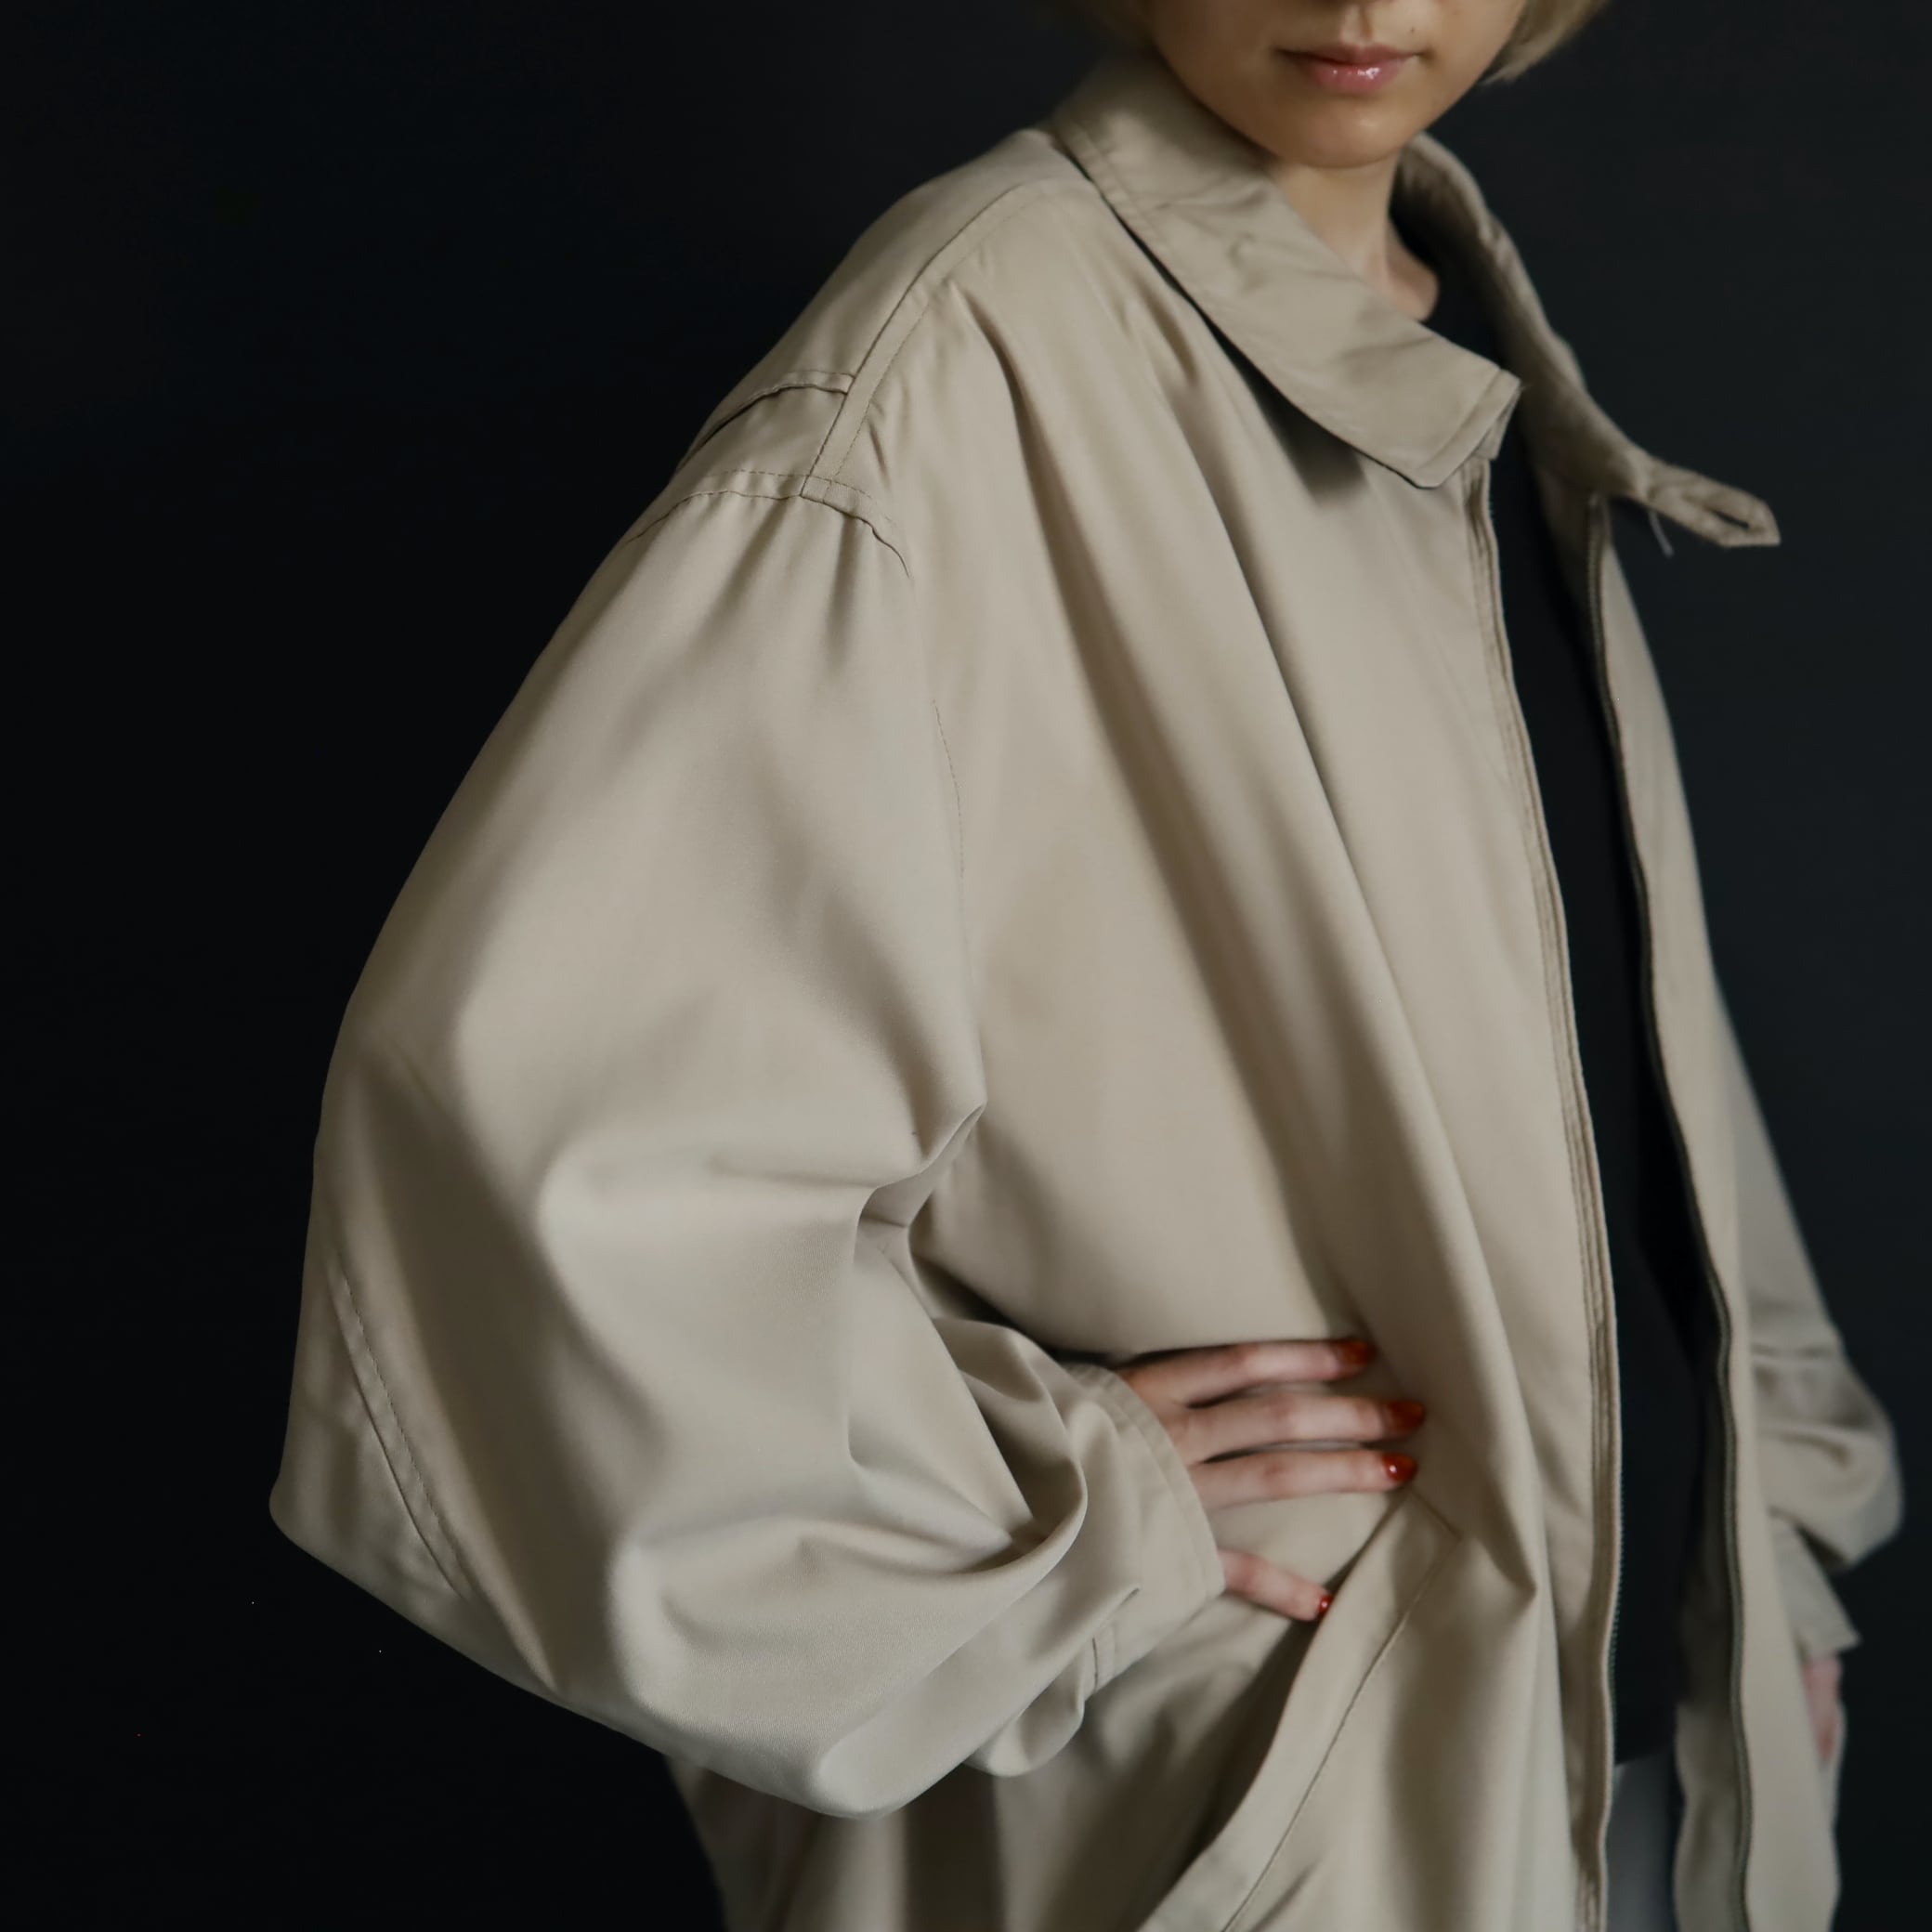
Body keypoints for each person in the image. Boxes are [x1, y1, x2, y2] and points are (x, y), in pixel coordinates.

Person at [267, 5, 1902, 1929]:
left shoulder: (1440, 323)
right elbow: (543, 1160)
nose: (1362, 1)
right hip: (1260, 1807)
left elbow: (1611, 1050)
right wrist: (1060, 1516)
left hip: (1647, 1778)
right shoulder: (960, 355)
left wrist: (1766, 1557)